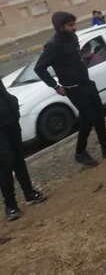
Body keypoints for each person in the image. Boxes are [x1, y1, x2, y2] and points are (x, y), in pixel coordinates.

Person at [34, 12, 106, 167]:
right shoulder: (53, 45)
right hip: (73, 88)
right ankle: (80, 152)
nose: (74, 28)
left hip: (86, 83)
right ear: (60, 26)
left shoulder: (73, 37)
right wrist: (55, 86)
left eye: (74, 24)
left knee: (99, 115)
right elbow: (39, 68)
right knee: (88, 118)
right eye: (70, 25)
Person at [1, 78, 46, 221]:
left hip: (10, 119)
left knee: (19, 158)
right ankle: (10, 204)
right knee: (5, 163)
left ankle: (29, 193)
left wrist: (13, 105)